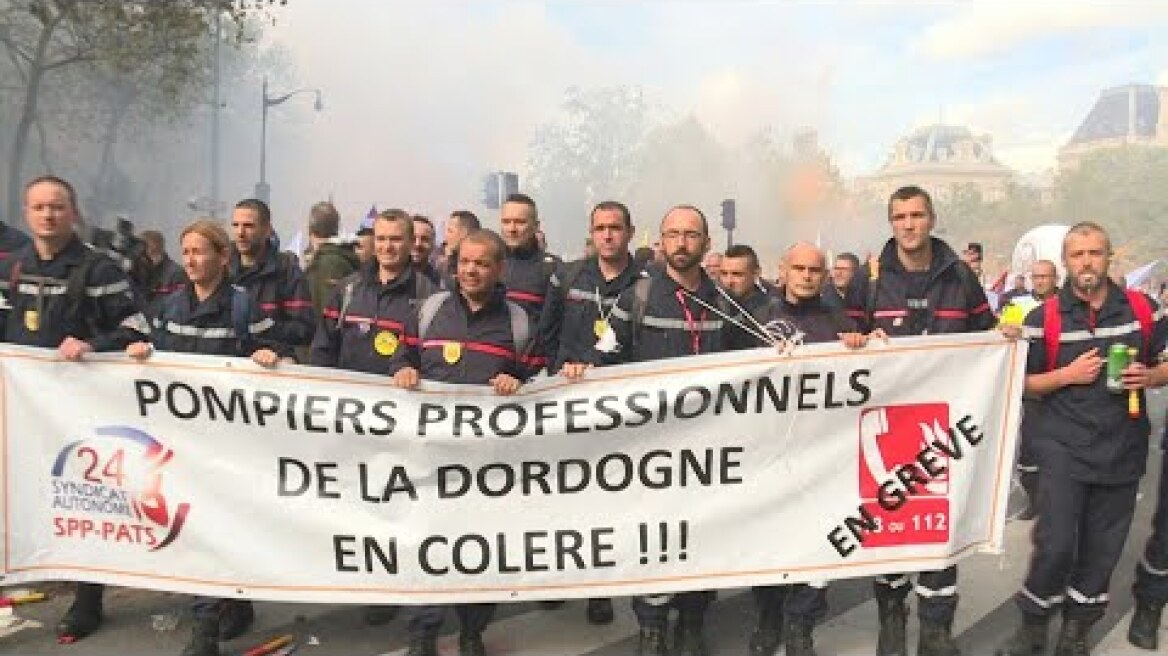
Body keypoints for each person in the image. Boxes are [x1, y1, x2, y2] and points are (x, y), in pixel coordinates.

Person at [995, 222, 1168, 656]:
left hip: (1122, 448)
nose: (1087, 261)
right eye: (1078, 254)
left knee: (1102, 548)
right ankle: (1032, 627)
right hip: (1062, 448)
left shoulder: (1144, 310)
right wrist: (1064, 376)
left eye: (1095, 252)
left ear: (1110, 257)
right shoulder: (1044, 318)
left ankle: (1076, 631)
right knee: (1054, 544)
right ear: (1066, 262)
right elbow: (1021, 384)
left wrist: (1151, 375)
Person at [845, 185, 994, 656]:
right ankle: (892, 614)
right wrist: (852, 340)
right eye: (899, 217)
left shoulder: (961, 279)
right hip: (886, 425)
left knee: (938, 522)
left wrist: (1005, 339)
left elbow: (985, 338)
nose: (908, 225)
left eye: (916, 215)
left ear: (932, 219)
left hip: (944, 427)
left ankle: (935, 627)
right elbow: (842, 339)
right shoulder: (867, 282)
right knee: (888, 522)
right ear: (891, 223)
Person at [0, 175, 148, 643]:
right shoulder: (13, 267)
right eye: (40, 207)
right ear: (27, 213)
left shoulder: (99, 269)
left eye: (58, 207)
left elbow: (137, 328)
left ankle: (88, 600)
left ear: (74, 212)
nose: (49, 215)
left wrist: (92, 343)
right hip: (23, 410)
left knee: (81, 503)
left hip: (81, 415)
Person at [125, 219, 283, 656]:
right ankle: (226, 606)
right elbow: (137, 336)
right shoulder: (169, 306)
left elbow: (278, 350)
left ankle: (205, 628)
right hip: (181, 444)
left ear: (222, 258)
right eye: (186, 251)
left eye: (200, 252)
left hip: (228, 446)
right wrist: (138, 349)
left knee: (218, 525)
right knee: (196, 528)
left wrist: (268, 356)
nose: (192, 261)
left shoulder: (242, 307)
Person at [723, 242, 871, 656]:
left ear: (824, 275)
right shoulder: (754, 318)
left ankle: (800, 622)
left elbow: (866, 369)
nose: (806, 275)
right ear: (783, 270)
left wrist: (867, 346)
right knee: (770, 539)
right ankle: (769, 615)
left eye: (815, 269)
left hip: (823, 451)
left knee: (822, 538)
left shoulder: (839, 319)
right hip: (767, 451)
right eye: (799, 267)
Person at [397, 229, 536, 656]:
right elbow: (404, 353)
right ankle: (424, 630)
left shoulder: (518, 321)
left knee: (480, 548)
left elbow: (538, 377)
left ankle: (472, 629)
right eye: (464, 262)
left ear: (498, 269)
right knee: (426, 543)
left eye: (480, 264)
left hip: (488, 464)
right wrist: (403, 368)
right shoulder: (429, 310)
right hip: (429, 458)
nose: (470, 271)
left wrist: (521, 381)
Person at [599, 205, 729, 656]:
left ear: (707, 243)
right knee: (652, 536)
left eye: (691, 235)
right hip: (650, 449)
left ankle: (693, 620)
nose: (681, 243)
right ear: (660, 241)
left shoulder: (724, 300)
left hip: (705, 450)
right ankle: (652, 625)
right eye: (672, 234)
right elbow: (605, 362)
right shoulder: (637, 295)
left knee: (699, 534)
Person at [540, 201, 646, 626]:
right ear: (591, 232)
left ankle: (599, 591)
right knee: (561, 498)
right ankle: (558, 577)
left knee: (604, 503)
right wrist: (554, 379)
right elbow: (546, 333)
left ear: (629, 232)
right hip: (567, 405)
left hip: (615, 410)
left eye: (615, 228)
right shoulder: (568, 276)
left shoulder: (644, 284)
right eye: (600, 228)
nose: (607, 235)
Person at [228, 199, 314, 354]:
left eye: (248, 226)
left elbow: (303, 330)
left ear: (267, 230)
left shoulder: (287, 272)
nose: (240, 233)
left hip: (268, 367)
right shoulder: (221, 269)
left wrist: (260, 328)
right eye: (235, 225)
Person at [304, 201, 360, 317]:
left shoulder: (326, 263)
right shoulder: (344, 257)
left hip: (322, 332)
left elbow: (325, 311)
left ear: (310, 229)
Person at [136, 229, 187, 307]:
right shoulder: (142, 271)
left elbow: (177, 306)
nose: (141, 259)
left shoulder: (176, 274)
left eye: (144, 254)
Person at [439, 209, 480, 276]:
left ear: (464, 233)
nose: (445, 235)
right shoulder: (441, 259)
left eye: (450, 231)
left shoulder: (480, 265)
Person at [412, 214, 441, 286]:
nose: (417, 244)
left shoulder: (442, 284)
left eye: (424, 239)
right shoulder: (384, 279)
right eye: (413, 238)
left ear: (433, 244)